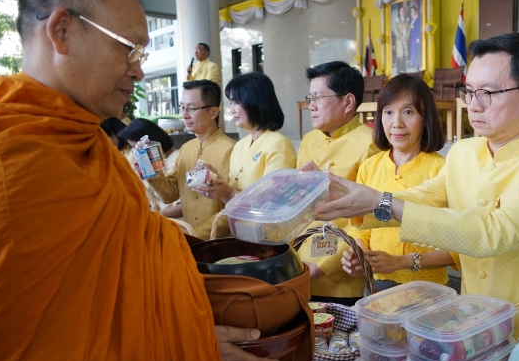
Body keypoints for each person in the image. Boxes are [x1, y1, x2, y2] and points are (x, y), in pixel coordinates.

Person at [0, 0, 276, 361]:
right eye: (129, 47)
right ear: (62, 31)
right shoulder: (6, 164)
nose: (138, 67)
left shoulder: (92, 150)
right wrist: (181, 356)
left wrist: (190, 332)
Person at [314, 33, 519, 338]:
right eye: (469, 92)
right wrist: (356, 201)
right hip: (475, 323)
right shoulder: (464, 152)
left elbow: (494, 233)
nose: (474, 105)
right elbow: (426, 197)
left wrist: (380, 202)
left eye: (488, 92)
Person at [342, 74, 456, 293]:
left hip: (428, 290)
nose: (397, 123)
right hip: (376, 285)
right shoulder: (369, 167)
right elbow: (359, 230)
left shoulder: (443, 169)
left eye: (408, 112)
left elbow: (457, 248)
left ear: (426, 118)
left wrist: (402, 261)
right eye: (388, 112)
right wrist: (359, 255)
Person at [298, 61, 381, 304]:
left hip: (341, 273)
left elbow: (370, 220)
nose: (310, 106)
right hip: (299, 264)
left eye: (318, 97)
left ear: (348, 102)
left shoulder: (369, 144)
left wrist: (322, 266)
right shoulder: (309, 140)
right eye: (309, 97)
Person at [146, 79, 235, 239]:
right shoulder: (186, 149)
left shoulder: (231, 149)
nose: (184, 115)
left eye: (192, 108)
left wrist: (195, 235)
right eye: (182, 107)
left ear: (213, 112)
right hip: (188, 240)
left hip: (217, 242)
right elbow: (170, 195)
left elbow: (232, 207)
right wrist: (151, 169)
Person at [192, 72, 296, 205]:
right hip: (239, 223)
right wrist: (218, 185)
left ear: (255, 101)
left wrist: (229, 192)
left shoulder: (279, 144)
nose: (232, 109)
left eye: (236, 102)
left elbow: (274, 202)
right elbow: (231, 202)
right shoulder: (240, 145)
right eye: (231, 103)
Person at [120, 118, 183, 219]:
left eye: (138, 147)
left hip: (174, 224)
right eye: (133, 148)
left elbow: (184, 207)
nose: (135, 151)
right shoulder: (148, 163)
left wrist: (151, 217)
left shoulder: (178, 158)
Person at [394, 5, 409, 74]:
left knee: (405, 54)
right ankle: (398, 69)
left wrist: (407, 37)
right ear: (399, 12)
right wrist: (401, 37)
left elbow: (408, 29)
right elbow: (396, 29)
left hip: (405, 39)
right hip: (400, 39)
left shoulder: (407, 20)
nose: (402, 12)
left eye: (403, 10)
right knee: (400, 54)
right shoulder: (397, 20)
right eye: (401, 11)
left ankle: (404, 68)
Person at [408, 4, 422, 70]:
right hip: (412, 38)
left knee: (416, 51)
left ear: (415, 11)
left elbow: (418, 29)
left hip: (416, 38)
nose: (412, 12)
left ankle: (416, 65)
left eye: (413, 11)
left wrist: (418, 38)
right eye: (411, 11)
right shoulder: (410, 20)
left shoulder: (417, 19)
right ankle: (412, 64)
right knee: (412, 51)